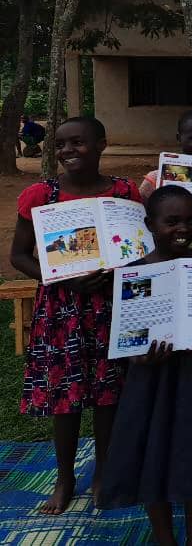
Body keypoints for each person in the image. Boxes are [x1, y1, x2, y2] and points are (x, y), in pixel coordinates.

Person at [98, 187, 192, 544]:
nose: (182, 228)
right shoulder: (136, 273)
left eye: (188, 219)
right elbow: (127, 337)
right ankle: (165, 537)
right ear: (150, 224)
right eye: (171, 221)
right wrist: (139, 355)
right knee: (153, 456)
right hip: (150, 383)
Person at [8, 117, 140, 514]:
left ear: (102, 144)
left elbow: (137, 248)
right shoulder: (40, 196)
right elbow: (19, 256)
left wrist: (116, 272)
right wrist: (63, 276)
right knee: (63, 397)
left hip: (111, 307)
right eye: (61, 144)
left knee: (108, 395)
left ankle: (103, 472)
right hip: (60, 310)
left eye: (78, 143)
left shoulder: (124, 193)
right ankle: (65, 478)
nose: (68, 151)